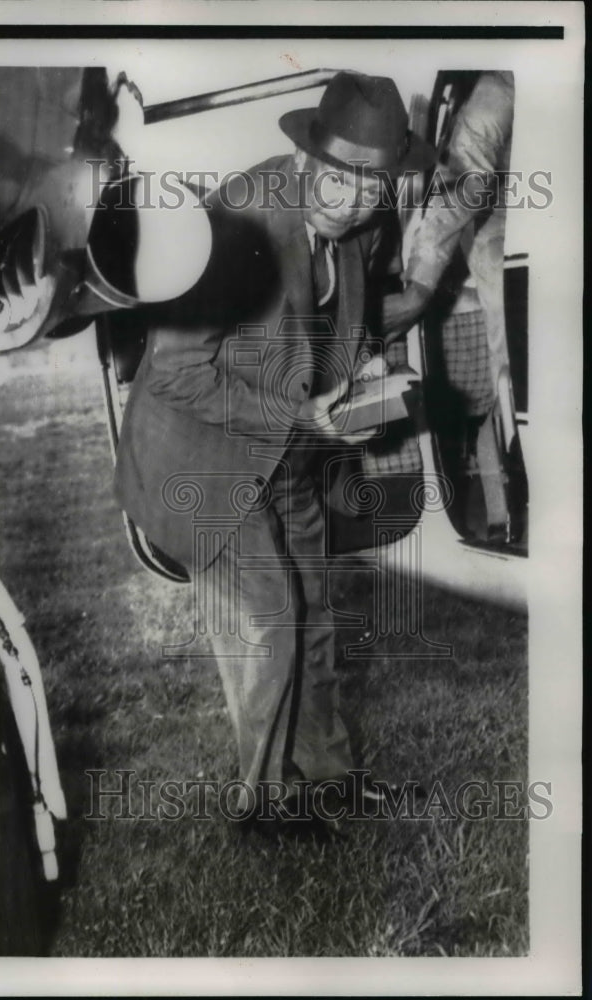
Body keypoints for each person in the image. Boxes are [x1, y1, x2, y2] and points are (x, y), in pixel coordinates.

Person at [114, 72, 435, 832]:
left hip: (286, 442)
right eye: (337, 176)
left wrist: (365, 381)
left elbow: (335, 330)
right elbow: (174, 373)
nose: (351, 198)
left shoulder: (361, 223)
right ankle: (263, 805)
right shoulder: (233, 220)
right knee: (269, 619)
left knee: (317, 609)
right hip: (203, 456)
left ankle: (326, 777)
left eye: (371, 185)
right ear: (302, 158)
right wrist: (302, 411)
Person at [382, 72, 522, 541]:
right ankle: (505, 476)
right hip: (508, 226)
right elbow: (465, 172)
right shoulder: (502, 86)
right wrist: (419, 288)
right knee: (516, 359)